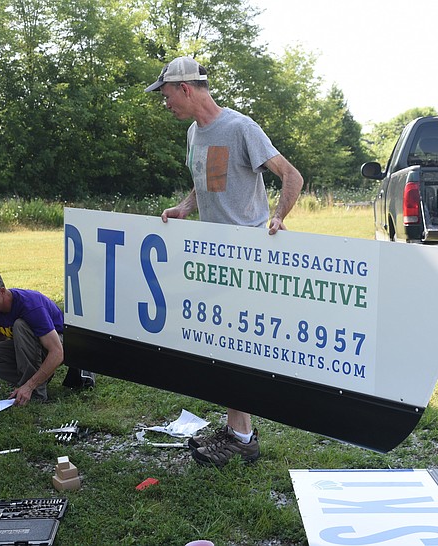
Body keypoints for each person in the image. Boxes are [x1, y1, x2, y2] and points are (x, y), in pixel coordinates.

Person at [146, 56, 304, 466]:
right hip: (212, 256)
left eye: (166, 96)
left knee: (237, 347)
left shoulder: (240, 128)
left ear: (185, 89)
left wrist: (278, 216)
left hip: (247, 258)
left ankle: (242, 437)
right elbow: (204, 183)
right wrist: (184, 207)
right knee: (223, 345)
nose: (165, 105)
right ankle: (238, 431)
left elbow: (291, 175)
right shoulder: (193, 134)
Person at [0, 269, 94, 406]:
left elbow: (58, 352)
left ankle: (34, 392)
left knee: (20, 326)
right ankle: (39, 377)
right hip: (32, 345)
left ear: (2, 292)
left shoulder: (30, 305)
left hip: (60, 342)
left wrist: (29, 385)